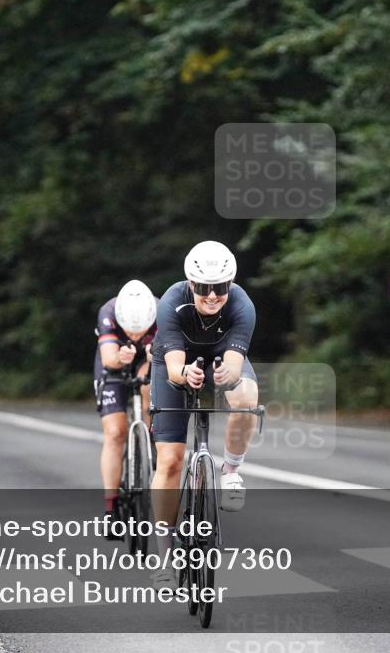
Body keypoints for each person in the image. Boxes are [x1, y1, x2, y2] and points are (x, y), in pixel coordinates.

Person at [149, 240, 259, 589]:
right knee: (168, 461)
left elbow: (233, 362)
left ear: (231, 284)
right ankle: (163, 552)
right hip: (175, 362)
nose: (212, 296)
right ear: (190, 284)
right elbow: (173, 367)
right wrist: (185, 376)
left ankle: (230, 471)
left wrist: (226, 375)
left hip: (220, 356)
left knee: (247, 394)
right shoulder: (170, 302)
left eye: (220, 288)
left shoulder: (242, 305)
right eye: (203, 288)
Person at [93, 279, 158, 538]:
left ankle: (151, 435)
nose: (135, 336)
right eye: (129, 331)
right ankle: (111, 509)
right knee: (115, 433)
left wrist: (156, 354)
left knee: (148, 385)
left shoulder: (162, 311)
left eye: (140, 331)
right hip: (113, 363)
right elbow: (108, 358)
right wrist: (121, 357)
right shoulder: (108, 312)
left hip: (147, 361)